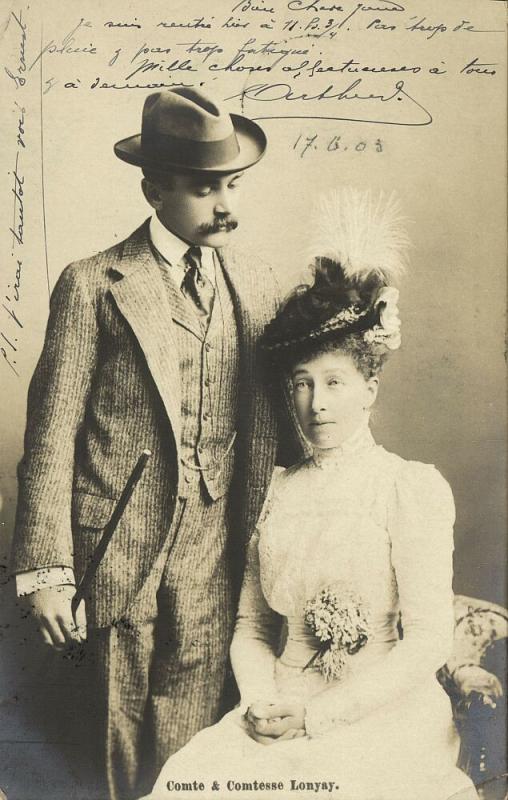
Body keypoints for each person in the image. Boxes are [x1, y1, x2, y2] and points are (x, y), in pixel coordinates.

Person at [10, 87, 299, 800]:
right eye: (205, 189)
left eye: (232, 185)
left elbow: (293, 410)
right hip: (115, 550)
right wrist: (46, 570)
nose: (225, 204)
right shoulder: (94, 284)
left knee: (193, 730)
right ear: (153, 188)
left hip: (216, 550)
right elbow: (50, 437)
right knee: (113, 726)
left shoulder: (257, 284)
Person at [143, 188, 479, 800]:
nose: (317, 403)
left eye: (334, 382)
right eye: (301, 383)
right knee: (190, 781)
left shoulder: (408, 487)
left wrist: (322, 716)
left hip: (381, 712)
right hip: (278, 708)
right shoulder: (278, 489)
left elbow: (429, 639)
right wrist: (263, 701)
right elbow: (250, 624)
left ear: (370, 387)